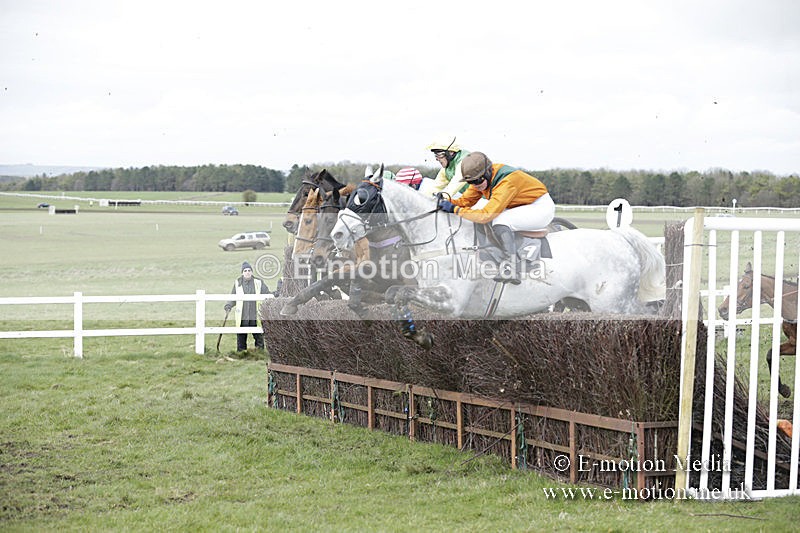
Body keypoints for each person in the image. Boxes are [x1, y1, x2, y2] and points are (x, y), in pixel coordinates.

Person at [437, 151, 555, 284]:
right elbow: (466, 201)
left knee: (500, 221)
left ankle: (512, 266)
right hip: (519, 205)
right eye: (471, 182)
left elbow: (486, 215)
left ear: (488, 172)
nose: (475, 185)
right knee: (480, 213)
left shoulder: (507, 181)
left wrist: (455, 209)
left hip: (539, 207)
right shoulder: (481, 178)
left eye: (478, 180)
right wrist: (448, 201)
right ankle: (494, 255)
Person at [224, 261, 271, 351]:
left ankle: (259, 353)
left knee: (258, 336)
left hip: (255, 314)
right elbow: (233, 296)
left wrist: (271, 297)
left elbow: (266, 294)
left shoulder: (259, 282)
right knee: (241, 337)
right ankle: (241, 353)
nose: (247, 272)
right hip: (243, 315)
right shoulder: (237, 283)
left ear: (252, 272)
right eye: (245, 270)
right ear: (242, 273)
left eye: (249, 270)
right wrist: (228, 305)